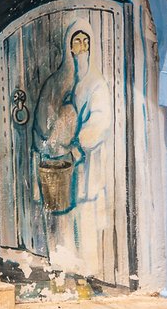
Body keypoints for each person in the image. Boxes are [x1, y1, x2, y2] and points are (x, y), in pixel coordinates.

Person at [31, 18, 112, 276]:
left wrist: (79, 147)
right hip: (59, 167)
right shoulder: (55, 82)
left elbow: (101, 121)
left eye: (86, 41)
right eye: (77, 41)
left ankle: (85, 277)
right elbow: (42, 121)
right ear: (69, 46)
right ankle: (60, 272)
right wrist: (52, 146)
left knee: (85, 221)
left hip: (85, 167)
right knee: (60, 223)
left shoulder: (96, 84)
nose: (82, 47)